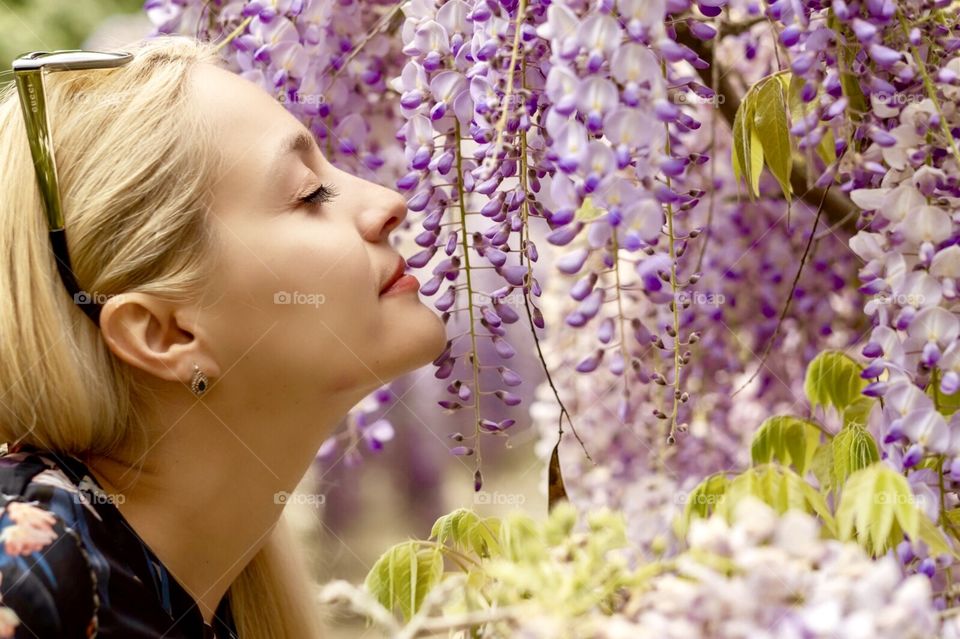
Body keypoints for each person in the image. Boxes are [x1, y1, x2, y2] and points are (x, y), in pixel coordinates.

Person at [0, 35, 447, 638]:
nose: (390, 202)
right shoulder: (28, 583)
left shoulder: (202, 593)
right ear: (166, 334)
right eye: (309, 193)